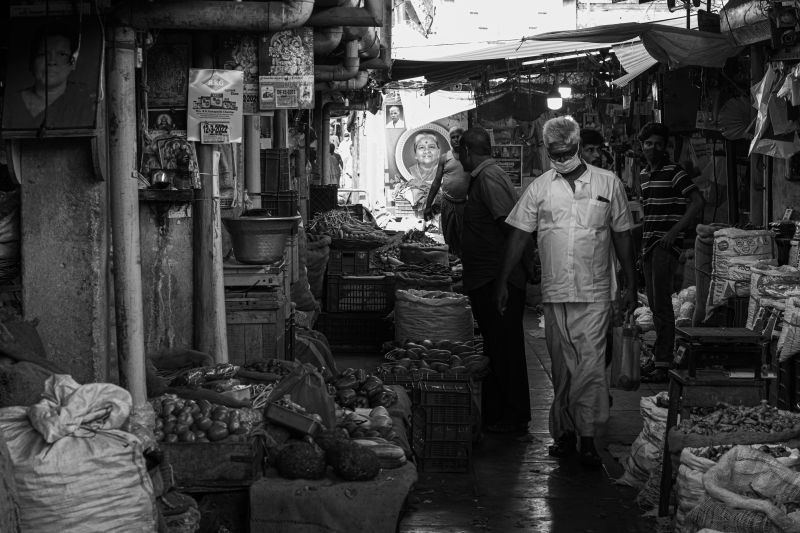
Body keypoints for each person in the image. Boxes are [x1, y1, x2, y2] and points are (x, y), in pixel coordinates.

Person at [494, 116, 637, 467]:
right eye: (556, 153)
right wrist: (502, 280)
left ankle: (588, 438)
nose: (562, 157)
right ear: (547, 151)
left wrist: (632, 282)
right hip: (556, 292)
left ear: (577, 147)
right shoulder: (539, 188)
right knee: (562, 367)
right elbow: (519, 235)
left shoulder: (609, 182)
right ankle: (566, 433)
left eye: (568, 151)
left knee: (589, 366)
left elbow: (621, 233)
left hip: (596, 290)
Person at [458, 127, 531, 435]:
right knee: (497, 347)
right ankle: (498, 413)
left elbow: (510, 227)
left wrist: (504, 280)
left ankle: (513, 417)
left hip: (496, 280)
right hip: (489, 278)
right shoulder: (486, 176)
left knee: (505, 348)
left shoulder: (488, 178)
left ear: (465, 151)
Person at [638, 122, 704, 382]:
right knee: (655, 304)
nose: (653, 148)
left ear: (665, 147)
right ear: (642, 146)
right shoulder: (643, 175)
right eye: (648, 143)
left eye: (658, 144)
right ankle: (659, 358)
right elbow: (649, 213)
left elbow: (698, 202)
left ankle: (663, 363)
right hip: (649, 245)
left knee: (662, 306)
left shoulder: (675, 172)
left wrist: (674, 232)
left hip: (666, 246)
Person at [4, 25, 96, 130]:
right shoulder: (10, 104)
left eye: (61, 54)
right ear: (32, 62)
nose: (51, 61)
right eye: (43, 54)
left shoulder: (86, 100)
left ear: (73, 63)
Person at [423, 126, 470, 256]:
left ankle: (463, 264)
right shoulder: (444, 158)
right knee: (449, 237)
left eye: (458, 136)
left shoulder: (470, 157)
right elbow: (436, 182)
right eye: (453, 137)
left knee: (465, 238)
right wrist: (428, 206)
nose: (455, 139)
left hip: (465, 204)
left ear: (463, 137)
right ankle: (452, 262)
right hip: (447, 203)